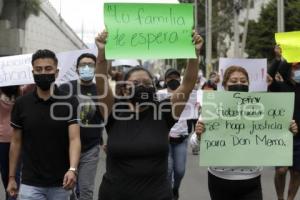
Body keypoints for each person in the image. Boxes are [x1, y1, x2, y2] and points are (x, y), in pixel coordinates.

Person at [95, 30, 203, 200]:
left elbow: (187, 84)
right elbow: (101, 82)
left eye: (147, 83)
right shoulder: (113, 110)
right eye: (135, 83)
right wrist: (102, 52)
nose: (142, 86)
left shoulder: (165, 111)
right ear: (124, 88)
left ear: (153, 87)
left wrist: (194, 53)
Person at [190, 65, 298, 200]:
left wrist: (288, 131)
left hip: (251, 180)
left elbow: (274, 138)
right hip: (219, 179)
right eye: (234, 81)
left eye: (243, 81)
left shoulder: (261, 108)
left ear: (249, 84)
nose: (239, 84)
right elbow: (194, 145)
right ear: (225, 85)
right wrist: (199, 135)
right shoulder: (213, 108)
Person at [6, 49, 81, 200]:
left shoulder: (70, 101)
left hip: (62, 182)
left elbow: (74, 139)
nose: (43, 73)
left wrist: (73, 169)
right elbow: (16, 142)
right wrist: (12, 177)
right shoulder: (22, 103)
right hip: (30, 182)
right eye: (38, 69)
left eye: (48, 69)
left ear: (57, 72)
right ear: (32, 72)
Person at [59, 53, 103, 200]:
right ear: (77, 69)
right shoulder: (65, 88)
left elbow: (106, 117)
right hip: (67, 147)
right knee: (66, 189)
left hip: (91, 148)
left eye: (90, 65)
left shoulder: (101, 91)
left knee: (86, 191)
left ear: (95, 68)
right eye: (83, 65)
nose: (86, 68)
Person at [268, 46, 300, 200]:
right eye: (295, 67)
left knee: (297, 172)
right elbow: (269, 77)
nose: (298, 71)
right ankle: (280, 197)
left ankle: (290, 198)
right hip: (282, 135)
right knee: (281, 170)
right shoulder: (279, 87)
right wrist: (278, 58)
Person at [157, 68, 190, 200]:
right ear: (165, 80)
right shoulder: (159, 94)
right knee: (168, 170)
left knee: (180, 171)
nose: (173, 80)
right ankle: (168, 194)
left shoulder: (188, 94)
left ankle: (175, 188)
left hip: (181, 138)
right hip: (165, 139)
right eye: (170, 78)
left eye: (176, 78)